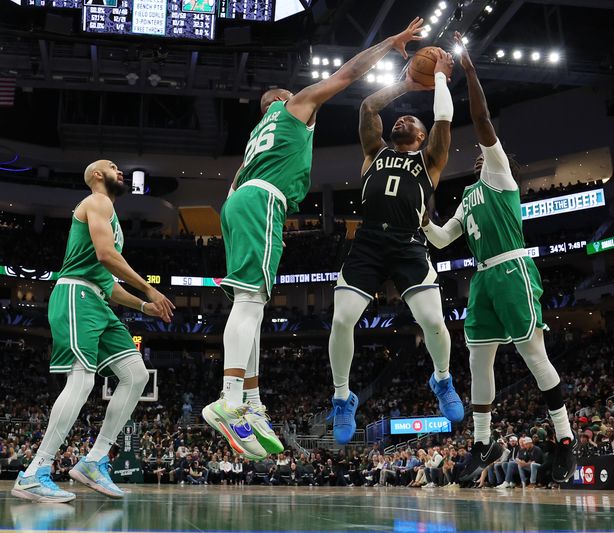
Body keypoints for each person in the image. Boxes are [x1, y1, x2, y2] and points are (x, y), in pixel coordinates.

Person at [203, 17, 426, 459]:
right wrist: (391, 41)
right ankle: (229, 399)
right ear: (284, 101)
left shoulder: (256, 136)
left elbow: (230, 193)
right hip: (263, 202)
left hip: (235, 205)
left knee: (252, 303)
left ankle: (251, 401)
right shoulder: (295, 106)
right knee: (250, 303)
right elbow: (348, 73)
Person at [420, 32, 575, 484]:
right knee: (477, 362)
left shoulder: (501, 179)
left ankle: (565, 440)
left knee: (533, 353)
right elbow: (443, 237)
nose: (476, 155)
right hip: (482, 279)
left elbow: (482, 118)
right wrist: (419, 214)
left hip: (511, 269)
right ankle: (483, 443)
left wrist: (468, 72)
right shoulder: (468, 198)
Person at [10, 160, 174, 504]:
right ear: (97, 175)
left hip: (97, 299)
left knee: (136, 375)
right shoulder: (97, 201)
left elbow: (108, 283)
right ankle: (34, 472)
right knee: (82, 380)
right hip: (76, 295)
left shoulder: (110, 214)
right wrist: (149, 290)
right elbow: (105, 255)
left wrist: (143, 308)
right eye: (114, 166)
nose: (121, 171)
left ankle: (95, 461)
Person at [327, 46, 462, 445]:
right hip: (368, 241)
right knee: (340, 320)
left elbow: (443, 118)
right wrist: (404, 84)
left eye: (410, 120)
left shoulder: (431, 160)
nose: (401, 119)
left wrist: (438, 78)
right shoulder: (375, 152)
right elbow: (368, 107)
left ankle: (441, 380)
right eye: (399, 118)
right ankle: (341, 397)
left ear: (421, 137)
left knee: (434, 322)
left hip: (407, 244)